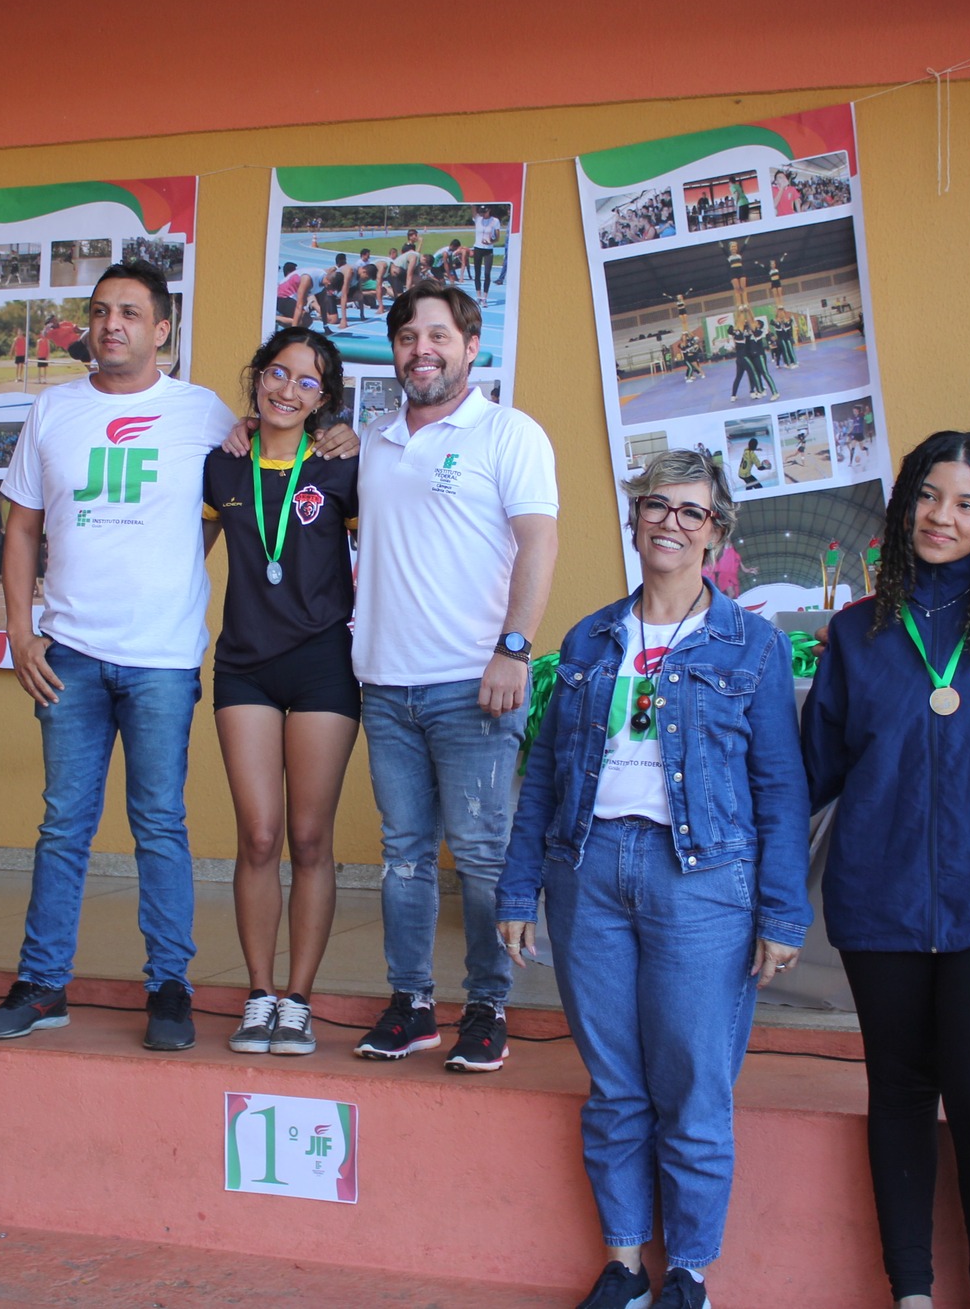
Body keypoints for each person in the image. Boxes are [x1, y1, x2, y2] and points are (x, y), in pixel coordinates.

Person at [0, 262, 358, 1051]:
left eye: (130, 312)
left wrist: (335, 430)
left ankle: (170, 986)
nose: (111, 323)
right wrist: (18, 632)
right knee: (63, 823)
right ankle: (42, 981)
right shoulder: (52, 409)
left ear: (163, 332)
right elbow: (19, 529)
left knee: (161, 824)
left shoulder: (206, 414)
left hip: (163, 658)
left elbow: (237, 502)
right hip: (68, 655)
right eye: (100, 310)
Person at [499, 449, 810, 1309]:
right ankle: (625, 1263)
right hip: (588, 869)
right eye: (656, 506)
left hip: (701, 880)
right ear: (635, 518)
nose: (671, 522)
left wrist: (783, 909)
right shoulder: (591, 637)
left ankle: (690, 1271)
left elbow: (781, 786)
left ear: (717, 533)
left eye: (692, 512)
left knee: (694, 1082)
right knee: (615, 1084)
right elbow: (546, 777)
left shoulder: (752, 643)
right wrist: (519, 889)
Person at [800, 432, 970, 1309]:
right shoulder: (857, 630)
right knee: (901, 1093)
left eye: (966, 503)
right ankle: (910, 1289)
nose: (942, 517)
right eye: (928, 496)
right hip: (880, 904)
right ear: (903, 501)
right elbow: (811, 771)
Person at [348, 280, 558, 1072]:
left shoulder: (509, 432)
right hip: (385, 684)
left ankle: (488, 1005)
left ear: (473, 347)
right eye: (407, 336)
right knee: (402, 852)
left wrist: (515, 646)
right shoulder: (372, 440)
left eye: (438, 334)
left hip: (475, 682)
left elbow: (538, 544)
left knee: (480, 853)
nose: (421, 348)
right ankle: (412, 1003)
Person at [203, 328, 360, 1056]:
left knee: (308, 837)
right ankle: (258, 993)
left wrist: (355, 438)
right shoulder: (222, 464)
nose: (287, 390)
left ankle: (299, 998)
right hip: (244, 666)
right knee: (259, 834)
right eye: (277, 372)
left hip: (324, 663)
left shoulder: (340, 468)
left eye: (306, 382)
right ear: (257, 376)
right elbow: (174, 557)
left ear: (323, 398)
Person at [470, 205, 502, 305]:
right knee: (477, 273)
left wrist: (490, 242)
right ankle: (478, 295)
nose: (482, 214)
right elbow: (473, 207)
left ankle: (485, 297)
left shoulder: (495, 221)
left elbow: (497, 238)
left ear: (489, 211)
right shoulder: (478, 219)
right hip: (478, 248)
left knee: (487, 274)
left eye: (484, 212)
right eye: (481, 212)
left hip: (488, 249)